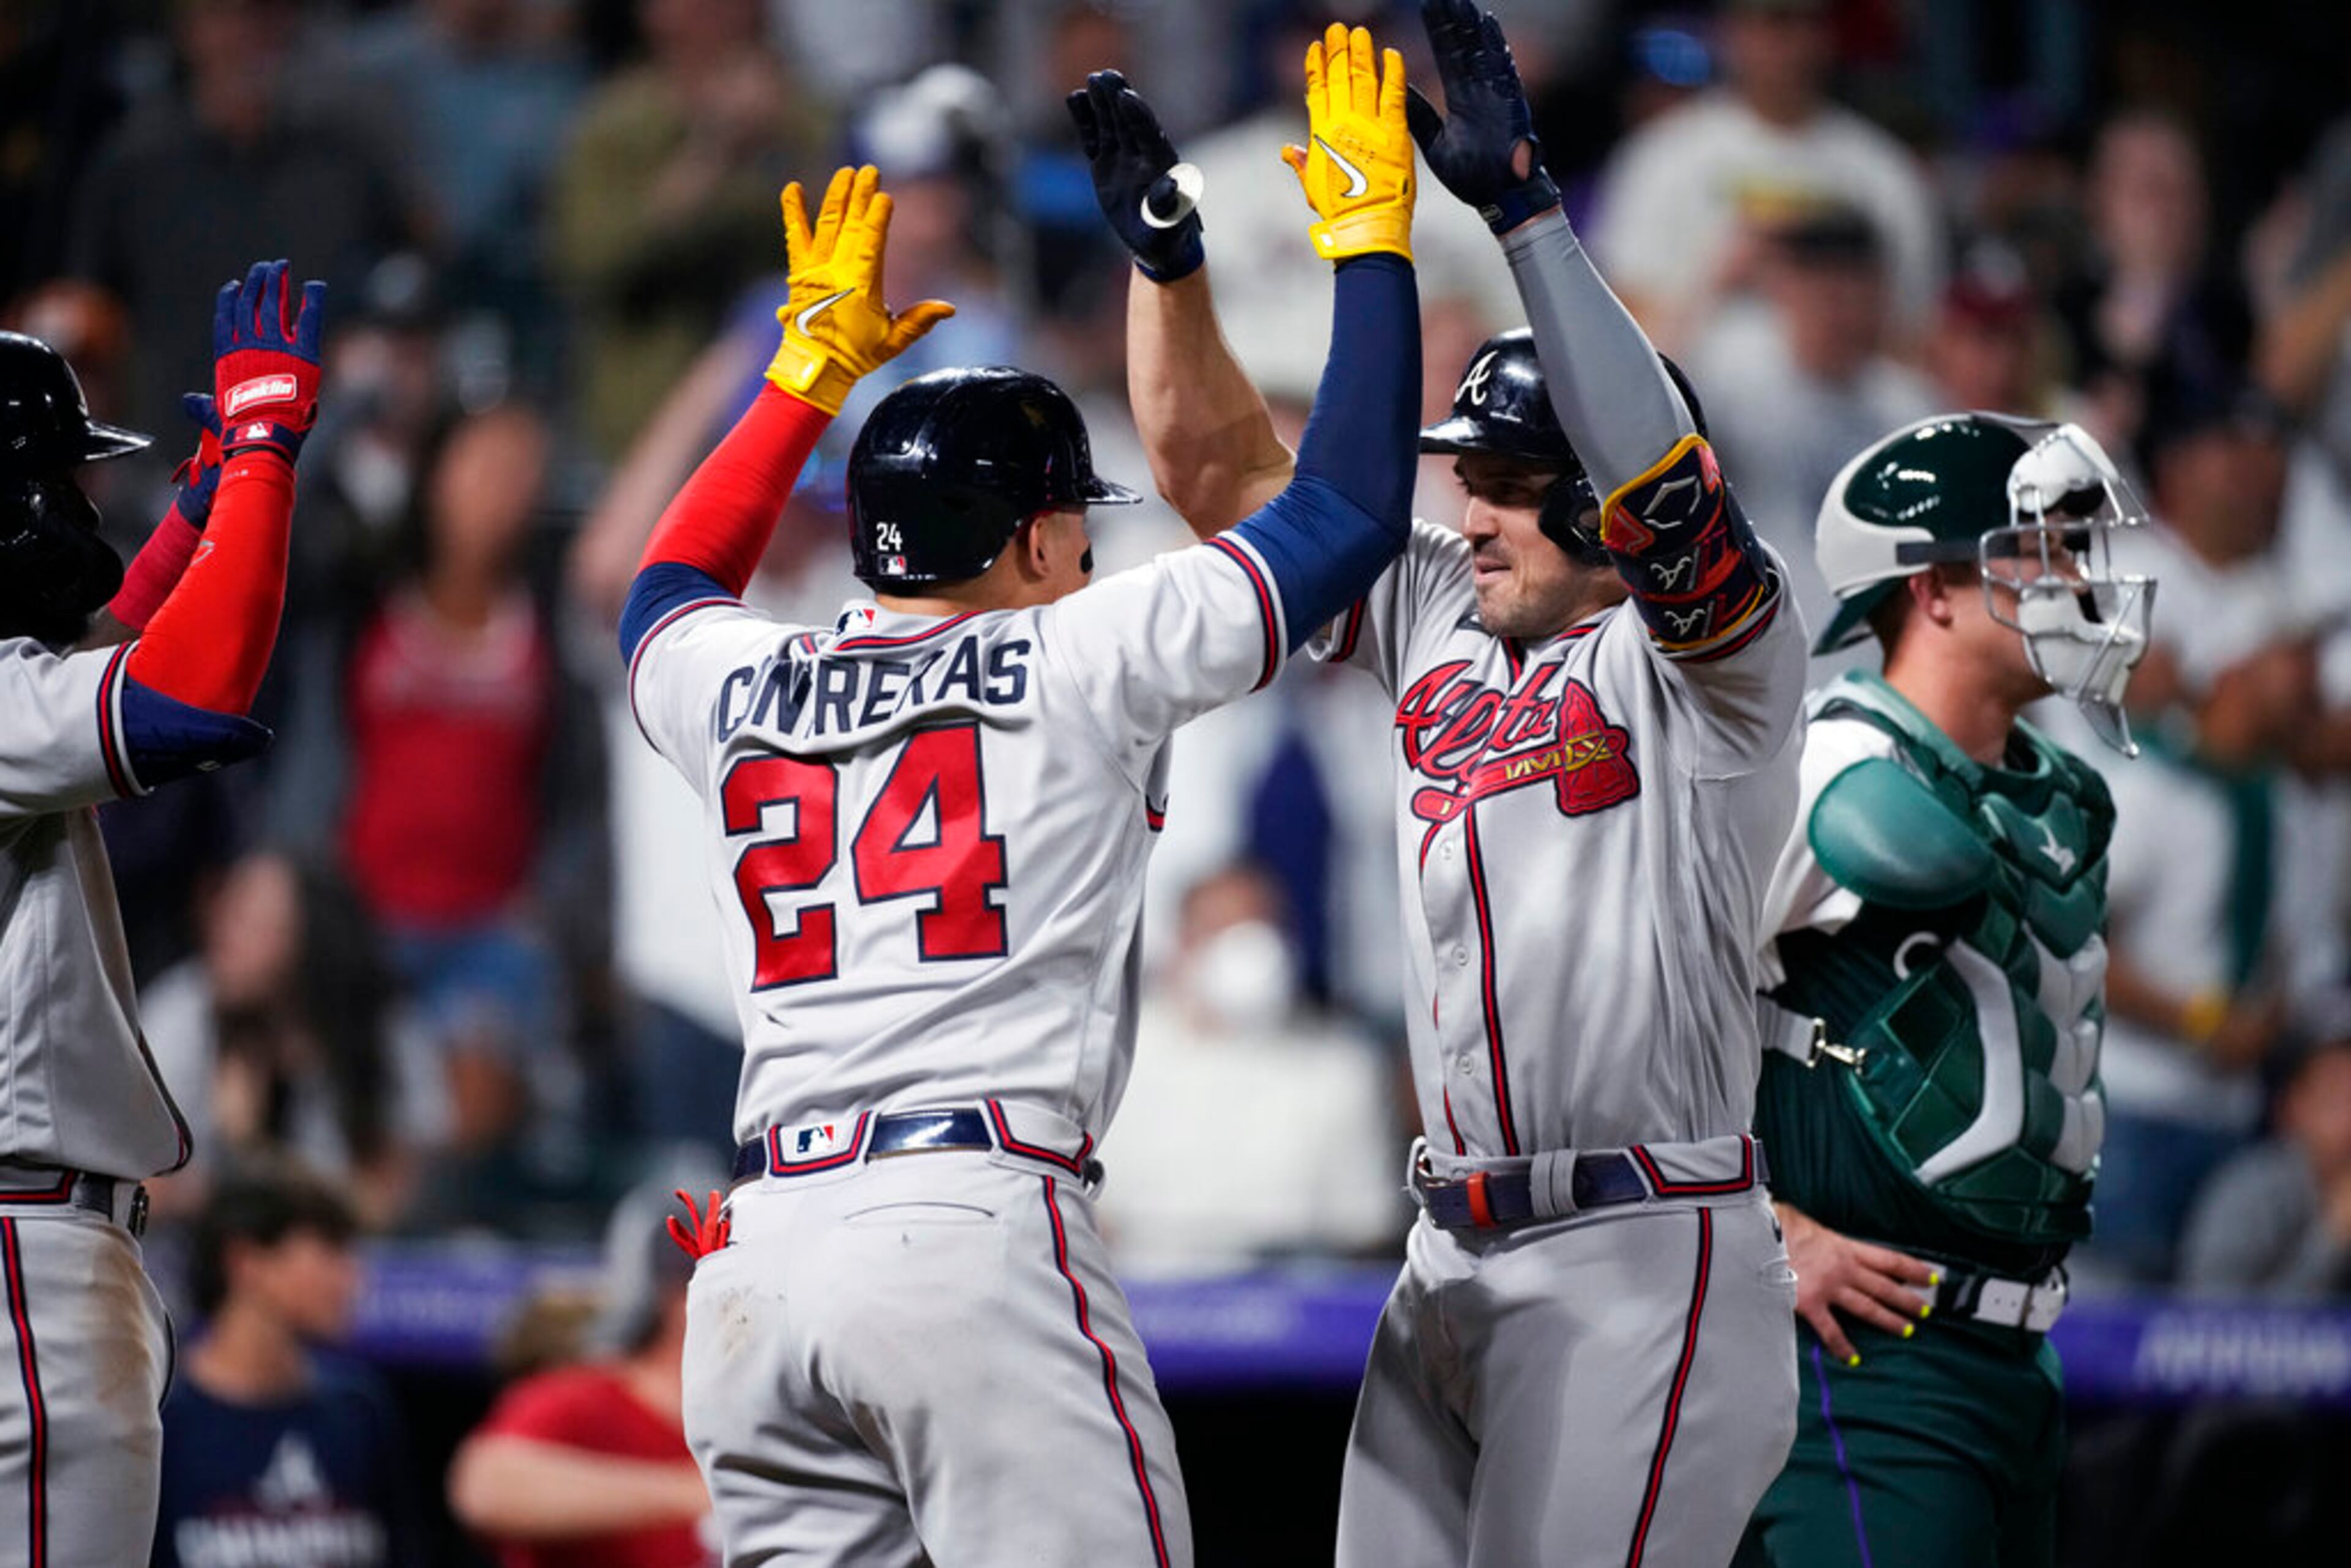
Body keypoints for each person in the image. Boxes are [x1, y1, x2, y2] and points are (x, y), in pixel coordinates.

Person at [623, 24, 1425, 1559]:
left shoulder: (741, 676)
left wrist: (798, 373)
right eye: (1074, 520)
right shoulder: (1083, 650)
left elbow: (658, 585)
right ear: (1037, 538)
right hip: (963, 1227)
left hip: (753, 1256)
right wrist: (1368, 245)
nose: (1090, 544)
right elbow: (1349, 509)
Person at [1077, 4, 1805, 1561]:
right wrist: (1165, 272)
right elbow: (1218, 485)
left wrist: (1528, 222)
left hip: (1640, 1240)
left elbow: (1661, 483)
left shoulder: (1714, 660)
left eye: (1512, 490)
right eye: (1462, 480)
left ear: (1603, 514)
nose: (1470, 514)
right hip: (1448, 1240)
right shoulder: (1431, 609)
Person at [1736, 410, 2154, 1567]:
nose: (2076, 581)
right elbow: (1648, 1005)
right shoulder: (1832, 765)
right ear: (1930, 589)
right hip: (1868, 1364)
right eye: (2039, 551)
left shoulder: (2064, 792)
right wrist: (1759, 1229)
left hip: (2018, 1355)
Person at [0, 260, 321, 1567]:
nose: (87, 501)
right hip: (19, 1247)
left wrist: (195, 516)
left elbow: (99, 659)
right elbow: (180, 696)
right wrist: (259, 457)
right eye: (66, 479)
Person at [151, 1165, 421, 1568]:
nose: (353, 1277)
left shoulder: (359, 1410)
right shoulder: (163, 1420)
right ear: (246, 1261)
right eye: (330, 1250)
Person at [449, 1172, 719, 1567]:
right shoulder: (582, 1396)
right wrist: (697, 1494)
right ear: (679, 1297)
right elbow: (484, 1488)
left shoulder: (756, 1413)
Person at [2178, 1021, 2351, 1296]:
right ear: (2293, 1108)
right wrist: (2332, 1241)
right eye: (2336, 1102)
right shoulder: (2251, 1192)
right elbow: (2214, 1322)